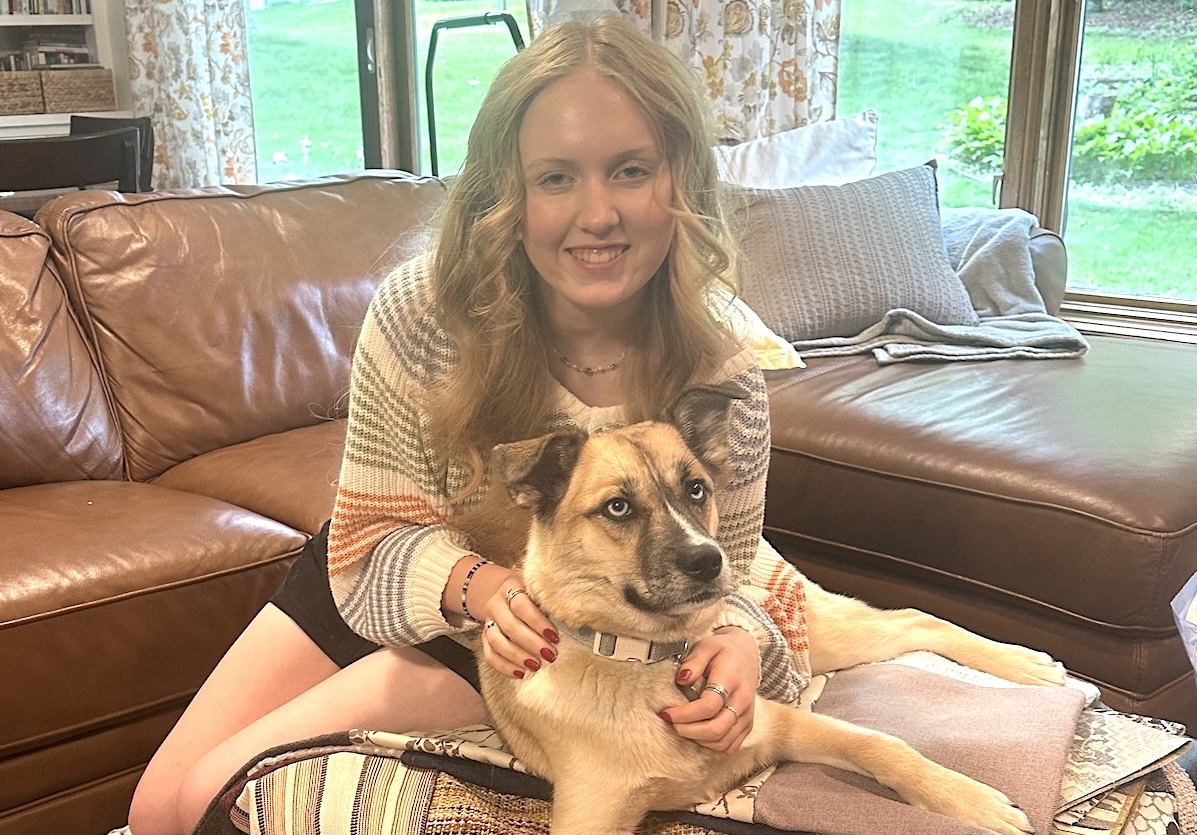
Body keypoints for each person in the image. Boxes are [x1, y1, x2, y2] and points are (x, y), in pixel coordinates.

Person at [126, 14, 811, 835]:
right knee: (154, 808)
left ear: (683, 181)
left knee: (212, 792)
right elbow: (363, 539)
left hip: (517, 645)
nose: (597, 213)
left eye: (630, 170)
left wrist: (738, 645)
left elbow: (729, 575)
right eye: (555, 177)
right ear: (505, 193)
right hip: (385, 572)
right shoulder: (421, 313)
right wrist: (476, 585)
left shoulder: (722, 370)